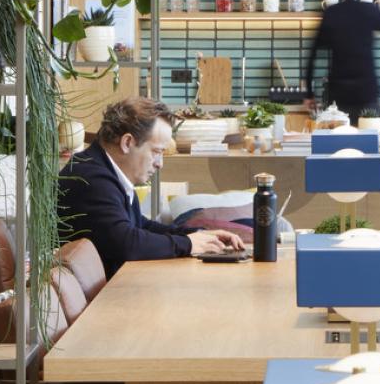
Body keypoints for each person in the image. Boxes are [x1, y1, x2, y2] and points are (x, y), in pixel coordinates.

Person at [55, 98, 242, 278]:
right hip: (104, 304)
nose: (159, 164)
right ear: (127, 143)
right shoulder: (91, 179)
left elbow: (140, 225)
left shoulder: (102, 170)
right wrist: (187, 244)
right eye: (156, 152)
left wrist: (196, 235)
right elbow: (127, 243)